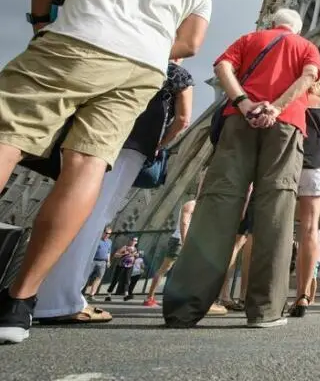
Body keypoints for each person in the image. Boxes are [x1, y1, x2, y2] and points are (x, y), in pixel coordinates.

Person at [0, 0, 211, 344]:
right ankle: (20, 304)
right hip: (142, 70)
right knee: (89, 166)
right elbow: (190, 43)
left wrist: (41, 19)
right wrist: (147, 40)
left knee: (8, 135)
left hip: (80, 40)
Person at [163, 8, 320, 329]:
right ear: (297, 27)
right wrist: (276, 107)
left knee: (218, 203)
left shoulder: (250, 38)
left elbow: (222, 66)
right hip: (286, 124)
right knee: (275, 207)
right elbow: (308, 77)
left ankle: (183, 308)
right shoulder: (306, 46)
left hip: (240, 120)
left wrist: (244, 103)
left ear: (272, 22)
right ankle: (265, 310)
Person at [33, 59, 197, 324]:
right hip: (132, 144)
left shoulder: (121, 55)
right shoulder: (174, 73)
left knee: (70, 205)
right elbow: (183, 119)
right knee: (95, 214)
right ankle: (60, 299)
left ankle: (32, 290)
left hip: (89, 134)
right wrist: (160, 144)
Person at [288, 81, 320, 317]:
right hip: (315, 165)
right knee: (310, 229)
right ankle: (302, 294)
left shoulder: (292, 98)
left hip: (290, 162)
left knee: (285, 227)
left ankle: (274, 291)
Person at [83, 227, 113, 302]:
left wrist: (108, 261)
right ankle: (80, 292)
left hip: (103, 262)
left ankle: (91, 295)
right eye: (106, 233)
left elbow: (108, 252)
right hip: (93, 261)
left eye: (109, 234)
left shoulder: (109, 242)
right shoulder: (97, 240)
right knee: (86, 276)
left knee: (98, 278)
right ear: (103, 232)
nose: (107, 235)